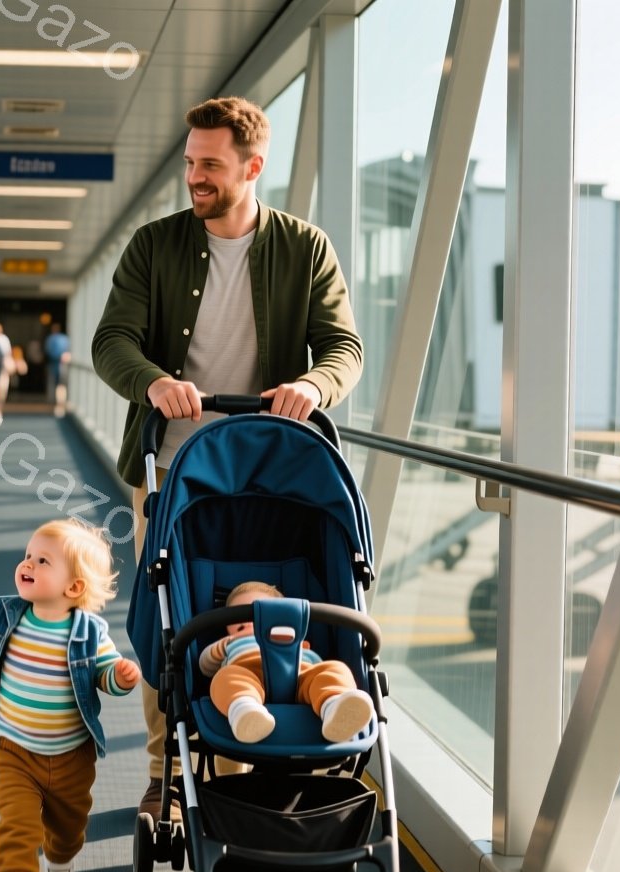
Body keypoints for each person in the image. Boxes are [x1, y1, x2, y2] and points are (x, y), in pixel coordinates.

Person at [90, 96, 364, 822]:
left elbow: (345, 348)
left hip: (276, 479)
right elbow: (111, 340)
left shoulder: (305, 248)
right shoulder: (155, 245)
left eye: (210, 164)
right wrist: (153, 382)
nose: (195, 177)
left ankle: (258, 761)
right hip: (174, 475)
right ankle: (165, 774)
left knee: (272, 619)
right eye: (190, 163)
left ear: (252, 167)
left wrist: (311, 384)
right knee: (171, 620)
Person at [0, 519, 141, 872]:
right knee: (16, 825)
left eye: (42, 560)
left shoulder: (90, 633)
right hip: (15, 751)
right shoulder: (6, 615)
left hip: (72, 756)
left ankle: (60, 860)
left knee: (68, 825)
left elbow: (104, 674)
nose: (26, 564)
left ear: (73, 588)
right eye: (27, 556)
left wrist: (120, 678)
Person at [199, 581, 374, 744]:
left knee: (336, 669)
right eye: (237, 614)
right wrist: (221, 647)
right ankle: (244, 710)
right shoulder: (230, 643)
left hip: (299, 677)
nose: (246, 619)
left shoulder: (296, 641)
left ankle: (334, 706)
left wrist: (323, 676)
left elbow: (318, 666)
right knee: (224, 678)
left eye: (255, 614)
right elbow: (205, 666)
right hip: (249, 675)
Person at [44, 324, 72, 417]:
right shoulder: (65, 339)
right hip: (62, 364)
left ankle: (59, 405)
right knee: (61, 385)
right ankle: (60, 406)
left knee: (58, 385)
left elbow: (49, 351)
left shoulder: (51, 339)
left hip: (56, 364)